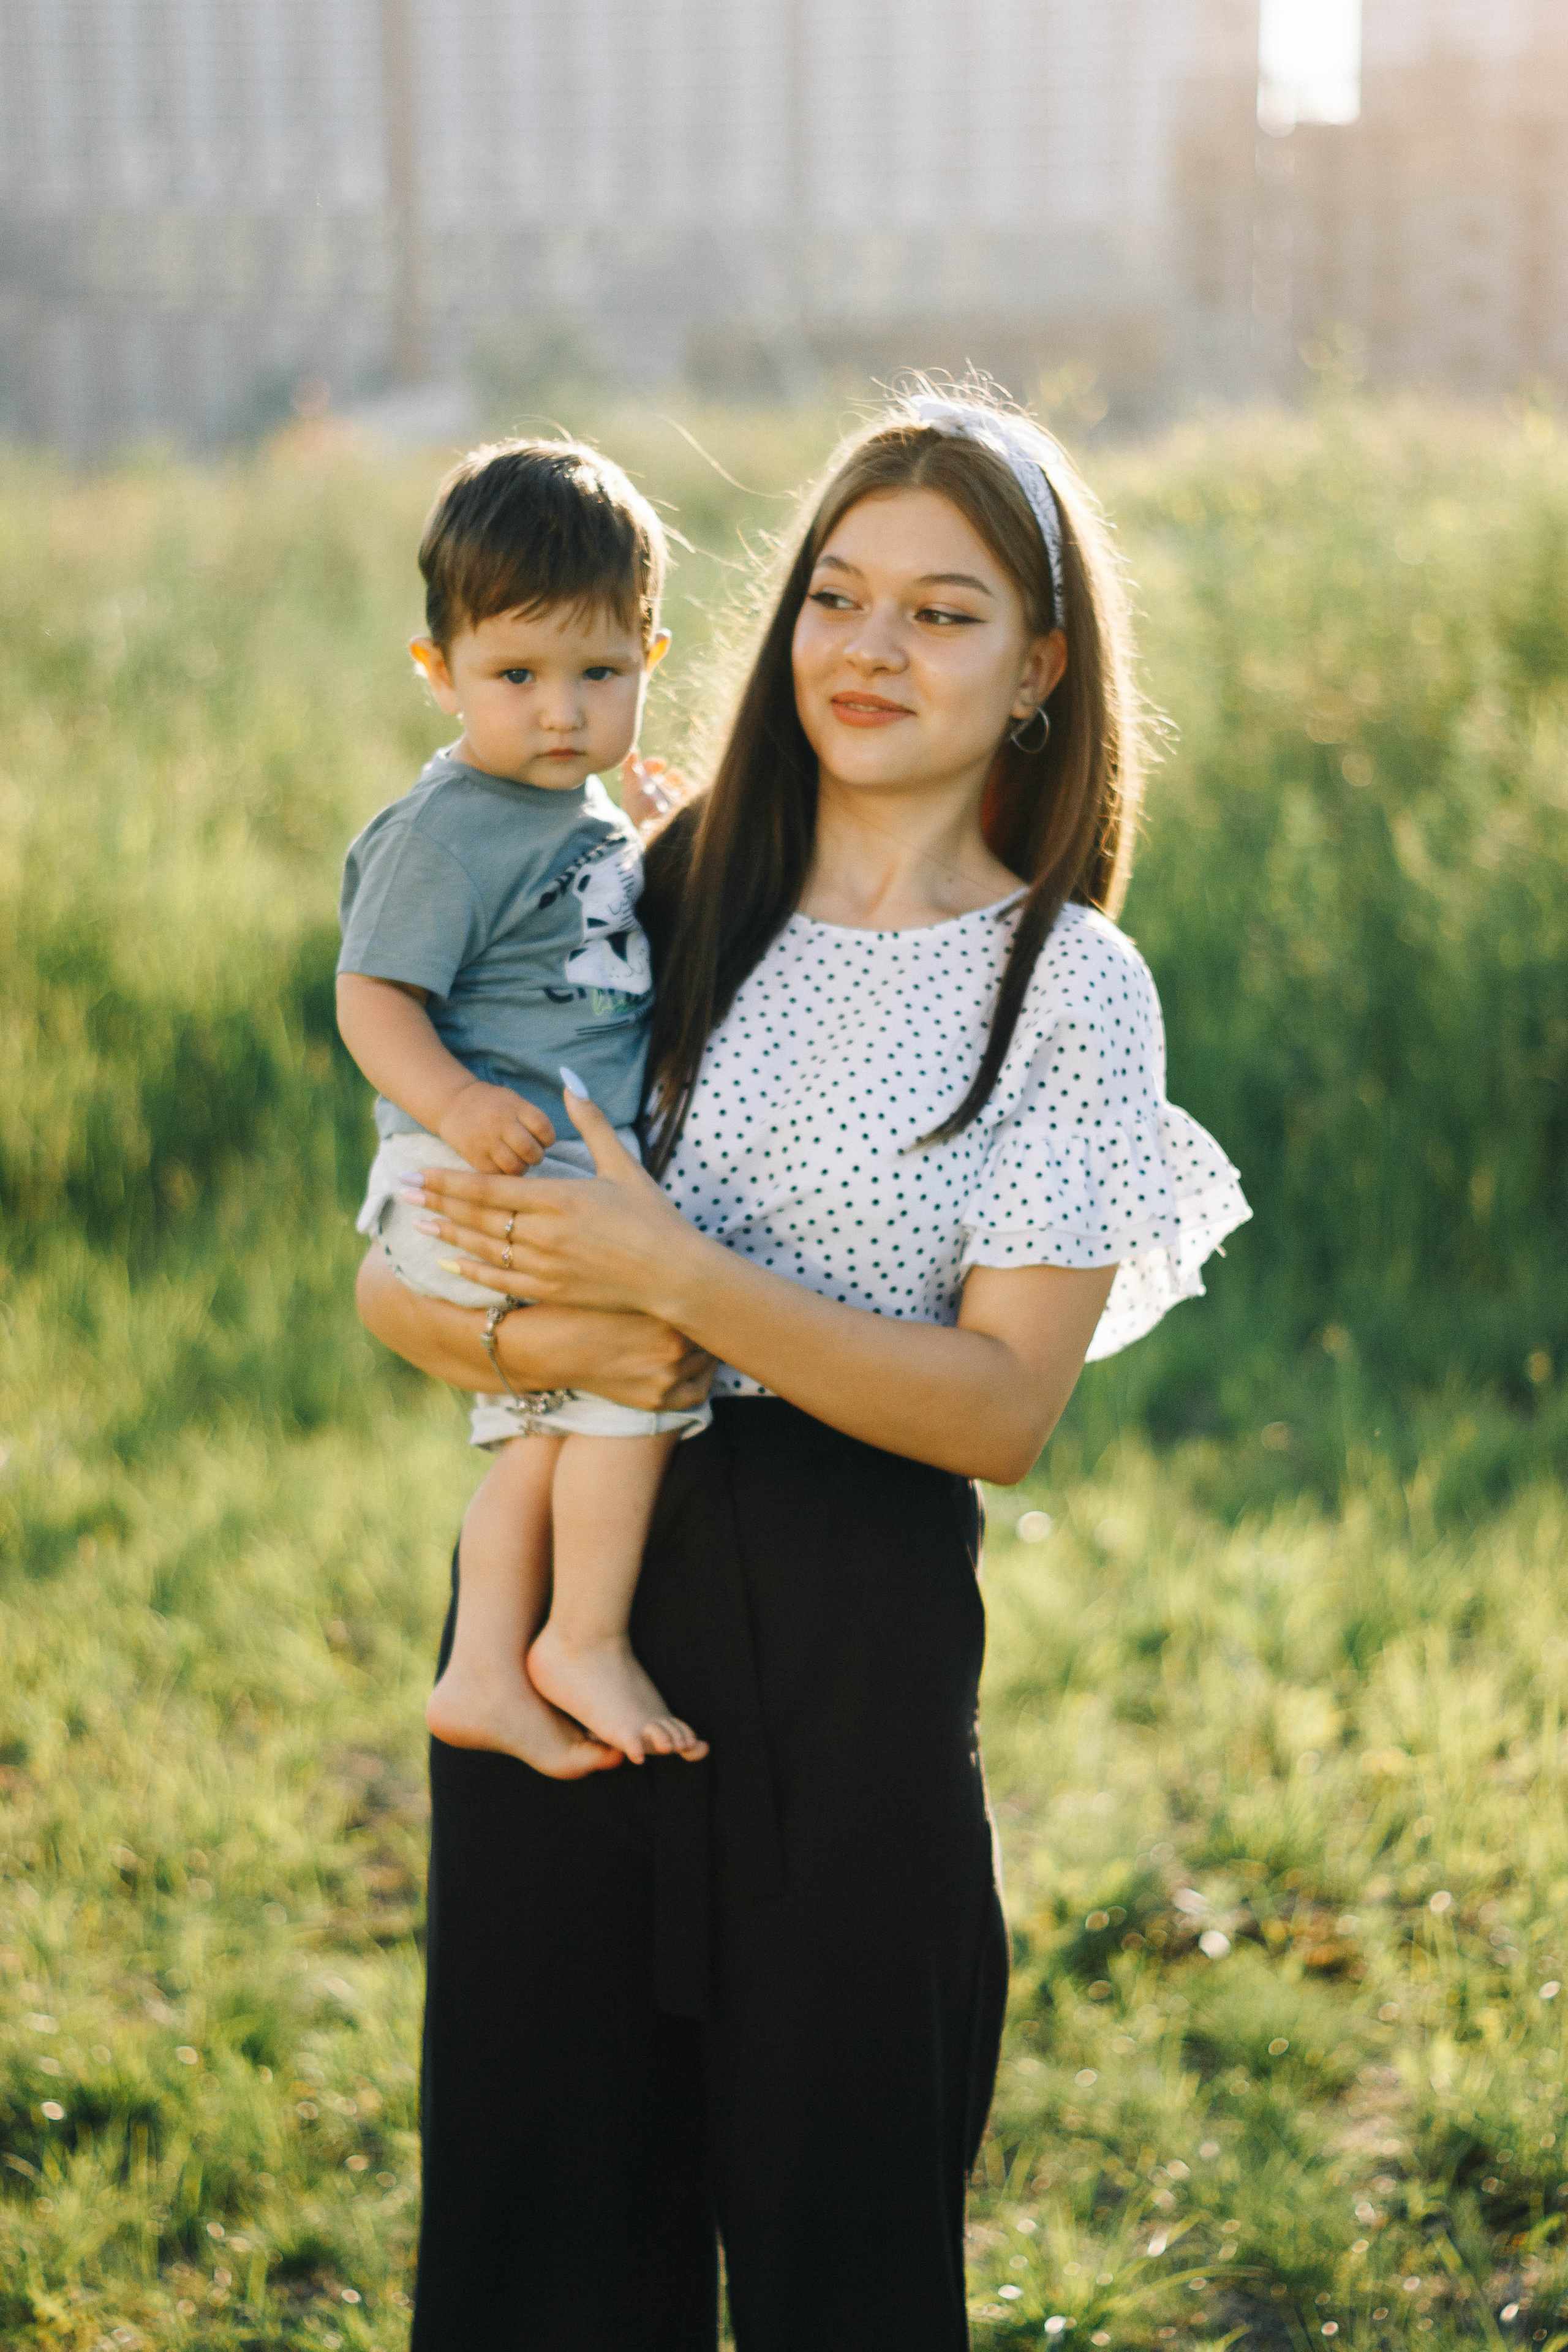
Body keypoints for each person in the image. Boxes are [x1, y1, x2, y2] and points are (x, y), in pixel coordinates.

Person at [359, 385, 1252, 2351]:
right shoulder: (646, 897)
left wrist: (680, 1276)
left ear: (1040, 665)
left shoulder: (1069, 987)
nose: (868, 648)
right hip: (568, 1618)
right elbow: (400, 1289)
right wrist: (530, 1325)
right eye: (837, 596)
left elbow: (1003, 1411)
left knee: (844, 2235)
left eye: (942, 613)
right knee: (541, 2232)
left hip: (856, 1640)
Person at [337, 437, 710, 1773]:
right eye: (515, 677)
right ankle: (583, 1638)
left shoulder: (582, 807)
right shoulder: (446, 834)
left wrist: (667, 835)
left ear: (647, 661)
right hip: (474, 1168)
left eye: (598, 676)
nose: (560, 713)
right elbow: (371, 997)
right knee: (638, 1349)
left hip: (546, 1168)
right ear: (438, 673)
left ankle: (488, 1665)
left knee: (552, 1435)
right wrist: (455, 1102)